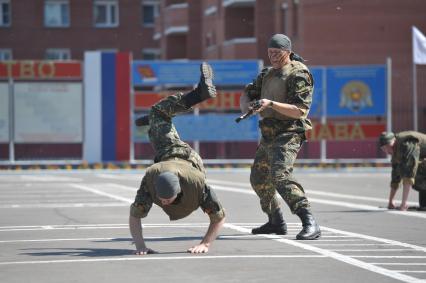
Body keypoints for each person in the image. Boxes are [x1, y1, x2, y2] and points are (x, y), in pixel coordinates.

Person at [129, 62, 226, 255]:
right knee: (159, 113)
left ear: (179, 190)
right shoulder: (151, 180)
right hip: (172, 154)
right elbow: (135, 216)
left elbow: (219, 217)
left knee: (158, 113)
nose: (164, 202)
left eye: (167, 199)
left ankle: (157, 118)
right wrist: (140, 245)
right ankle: (156, 118)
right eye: (162, 199)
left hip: (181, 159)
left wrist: (205, 244)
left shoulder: (197, 185)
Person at [240, 34, 321, 240]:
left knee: (280, 176)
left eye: (277, 53)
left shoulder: (299, 74)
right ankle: (276, 221)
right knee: (258, 179)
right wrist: (248, 105)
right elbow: (248, 93)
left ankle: (309, 221)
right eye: (270, 53)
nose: (273, 57)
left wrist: (271, 104)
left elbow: (300, 110)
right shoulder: (267, 73)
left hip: (289, 133)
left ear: (288, 52)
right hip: (268, 134)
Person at [379, 131, 426, 211]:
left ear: (394, 140)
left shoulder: (407, 144)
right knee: (403, 170)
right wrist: (391, 201)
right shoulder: (395, 151)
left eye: (388, 146)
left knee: (414, 172)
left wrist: (403, 204)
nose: (387, 151)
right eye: (384, 149)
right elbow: (395, 177)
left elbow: (409, 173)